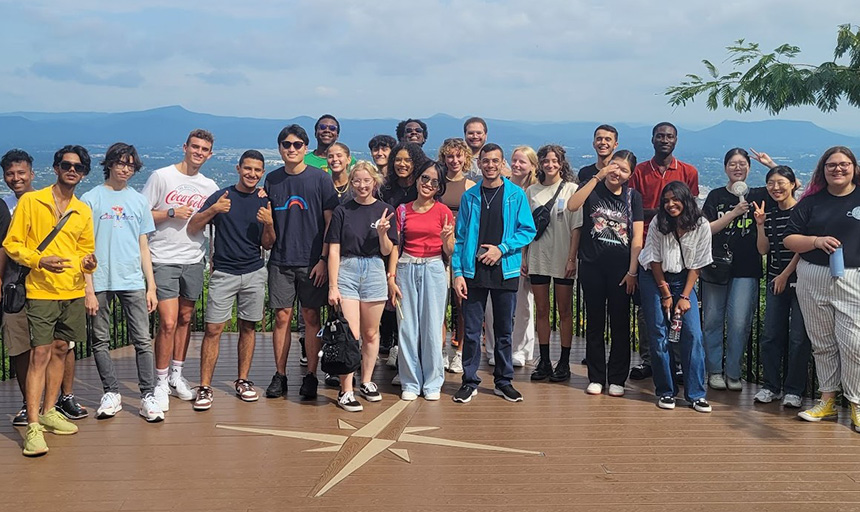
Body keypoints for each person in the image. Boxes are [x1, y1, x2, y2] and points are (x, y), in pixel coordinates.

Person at [5, 145, 98, 456]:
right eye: (67, 165)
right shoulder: (33, 201)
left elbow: (86, 251)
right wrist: (39, 261)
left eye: (79, 167)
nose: (73, 170)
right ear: (56, 168)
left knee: (61, 349)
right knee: (40, 355)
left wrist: (89, 267)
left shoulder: (83, 210)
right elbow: (12, 243)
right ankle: (33, 426)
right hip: (41, 290)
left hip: (71, 290)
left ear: (84, 174)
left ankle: (49, 411)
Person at [81, 143, 163, 422]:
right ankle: (111, 392)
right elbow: (84, 247)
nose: (125, 169)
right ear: (109, 164)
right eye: (121, 163)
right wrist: (87, 288)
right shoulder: (91, 199)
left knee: (142, 340)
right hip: (100, 278)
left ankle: (147, 395)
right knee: (99, 339)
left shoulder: (138, 201)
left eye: (130, 165)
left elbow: (143, 246)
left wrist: (151, 286)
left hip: (132, 279)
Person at [188, 150, 275, 411]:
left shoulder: (264, 201)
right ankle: (205, 386)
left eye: (257, 170)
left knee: (248, 327)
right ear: (238, 169)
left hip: (254, 271)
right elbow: (194, 225)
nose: (252, 174)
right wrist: (214, 209)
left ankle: (243, 380)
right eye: (247, 169)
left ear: (262, 173)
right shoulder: (222, 196)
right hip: (224, 272)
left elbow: (268, 243)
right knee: (213, 329)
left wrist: (269, 224)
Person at [451, 143, 536, 404]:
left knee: (503, 330)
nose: (489, 165)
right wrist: (457, 272)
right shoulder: (471, 196)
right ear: (480, 164)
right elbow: (460, 236)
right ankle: (469, 380)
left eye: (495, 161)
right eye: (485, 161)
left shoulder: (515, 194)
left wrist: (501, 249)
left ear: (502, 164)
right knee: (473, 331)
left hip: (505, 270)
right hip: (473, 270)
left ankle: (503, 381)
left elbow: (527, 230)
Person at [143, 129, 219, 410]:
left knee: (186, 319)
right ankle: (160, 381)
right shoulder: (161, 177)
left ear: (210, 154)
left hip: (193, 258)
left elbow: (216, 214)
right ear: (185, 147)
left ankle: (176, 374)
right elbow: (142, 214)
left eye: (204, 149)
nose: (198, 152)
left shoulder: (209, 186)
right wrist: (170, 213)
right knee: (168, 322)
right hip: (162, 257)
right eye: (195, 147)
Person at [784, 146, 860, 430]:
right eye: (831, 165)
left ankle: (856, 403)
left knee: (854, 343)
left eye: (844, 164)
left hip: (853, 277)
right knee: (822, 343)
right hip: (813, 275)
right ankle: (827, 401)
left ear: (853, 167)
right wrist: (816, 241)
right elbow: (789, 238)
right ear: (823, 169)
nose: (838, 169)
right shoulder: (811, 201)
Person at [264, 124, 338, 400]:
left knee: (310, 317)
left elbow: (331, 224)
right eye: (286, 144)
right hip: (281, 260)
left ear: (306, 149)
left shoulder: (320, 179)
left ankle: (311, 376)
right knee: (281, 317)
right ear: (280, 148)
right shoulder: (272, 180)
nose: (291, 149)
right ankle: (280, 374)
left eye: (297, 145)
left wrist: (322, 259)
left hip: (311, 262)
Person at [568, 150, 644, 396]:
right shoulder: (593, 189)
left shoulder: (633, 198)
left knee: (620, 323)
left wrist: (632, 271)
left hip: (621, 270)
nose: (617, 173)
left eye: (623, 170)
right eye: (614, 166)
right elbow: (572, 205)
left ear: (630, 175)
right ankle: (596, 376)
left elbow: (637, 238)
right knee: (595, 322)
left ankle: (618, 379)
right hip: (592, 266)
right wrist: (597, 177)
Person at [629, 122, 699, 381]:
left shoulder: (688, 172)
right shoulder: (639, 172)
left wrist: (655, 213)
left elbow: (689, 210)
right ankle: (650, 360)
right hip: (646, 248)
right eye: (660, 136)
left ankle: (677, 362)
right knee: (648, 312)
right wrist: (660, 214)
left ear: (676, 140)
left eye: (669, 136)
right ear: (652, 140)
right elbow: (632, 209)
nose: (664, 140)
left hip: (679, 252)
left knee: (679, 308)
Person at [327, 161, 397, 411]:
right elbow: (334, 249)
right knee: (350, 334)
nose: (362, 185)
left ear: (375, 182)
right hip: (348, 268)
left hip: (375, 270)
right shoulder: (342, 210)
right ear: (351, 183)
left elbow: (388, 250)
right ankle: (346, 389)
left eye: (367, 180)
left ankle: (366, 381)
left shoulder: (386, 210)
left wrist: (382, 233)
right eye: (357, 180)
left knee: (370, 333)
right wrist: (333, 285)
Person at [637, 181, 712, 413]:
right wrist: (666, 293)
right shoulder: (660, 222)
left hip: (684, 278)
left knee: (692, 333)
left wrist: (685, 296)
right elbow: (654, 259)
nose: (670, 205)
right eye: (666, 201)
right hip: (654, 276)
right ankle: (666, 391)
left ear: (686, 199)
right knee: (659, 332)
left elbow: (698, 264)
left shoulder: (701, 225)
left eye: (674, 199)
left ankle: (696, 394)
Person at [701, 148, 768, 391]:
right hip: (716, 265)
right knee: (712, 319)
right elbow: (706, 229)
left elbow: (792, 185)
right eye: (732, 164)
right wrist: (733, 214)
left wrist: (770, 164)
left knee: (739, 322)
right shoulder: (716, 196)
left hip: (747, 266)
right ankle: (714, 371)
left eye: (742, 164)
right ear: (725, 167)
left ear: (749, 167)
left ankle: (734, 372)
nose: (737, 168)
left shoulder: (759, 194)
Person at [391, 162, 454, 400]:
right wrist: (392, 276)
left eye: (434, 181)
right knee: (407, 326)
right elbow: (396, 246)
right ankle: (410, 381)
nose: (428, 184)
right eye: (425, 178)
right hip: (407, 266)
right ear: (417, 180)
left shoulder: (443, 211)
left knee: (432, 326)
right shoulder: (403, 210)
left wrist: (447, 239)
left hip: (434, 267)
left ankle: (433, 381)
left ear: (440, 187)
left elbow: (449, 250)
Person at [751, 165, 810, 408]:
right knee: (771, 336)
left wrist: (785, 275)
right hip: (776, 280)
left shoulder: (804, 211)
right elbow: (763, 249)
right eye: (771, 184)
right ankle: (771, 387)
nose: (776, 188)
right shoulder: (771, 214)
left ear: (793, 184)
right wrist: (761, 225)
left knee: (798, 338)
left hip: (800, 282)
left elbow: (802, 248)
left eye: (780, 182)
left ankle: (794, 390)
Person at [525, 145, 582, 383]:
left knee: (565, 310)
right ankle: (545, 359)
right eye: (546, 161)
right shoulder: (531, 191)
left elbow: (576, 227)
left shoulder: (572, 190)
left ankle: (565, 362)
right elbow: (526, 228)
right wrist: (524, 256)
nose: (550, 165)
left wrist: (571, 258)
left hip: (562, 257)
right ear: (540, 164)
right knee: (541, 310)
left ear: (561, 163)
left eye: (554, 160)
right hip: (538, 256)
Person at [378, 142, 427, 371]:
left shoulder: (421, 187)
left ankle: (411, 357)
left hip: (416, 252)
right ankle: (396, 348)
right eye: (398, 159)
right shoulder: (386, 189)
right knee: (392, 304)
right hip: (388, 248)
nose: (402, 164)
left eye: (408, 160)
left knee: (412, 307)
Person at [0, 149, 35, 426]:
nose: (16, 178)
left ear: (31, 173)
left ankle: (57, 399)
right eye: (10, 174)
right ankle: (29, 402)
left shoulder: (46, 201)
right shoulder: (4, 206)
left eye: (21, 172)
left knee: (57, 345)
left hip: (48, 284)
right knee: (20, 346)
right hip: (14, 287)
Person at [438, 138, 476, 373]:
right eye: (450, 156)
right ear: (444, 158)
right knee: (439, 303)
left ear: (465, 158)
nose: (454, 160)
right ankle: (440, 350)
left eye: (458, 156)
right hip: (439, 248)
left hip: (462, 249)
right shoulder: (437, 184)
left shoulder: (471, 186)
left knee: (463, 303)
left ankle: (460, 352)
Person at [463, 117, 487, 181]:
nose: (475, 136)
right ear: (465, 135)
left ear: (485, 135)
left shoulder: (495, 160)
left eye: (479, 133)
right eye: (471, 133)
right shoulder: (457, 160)